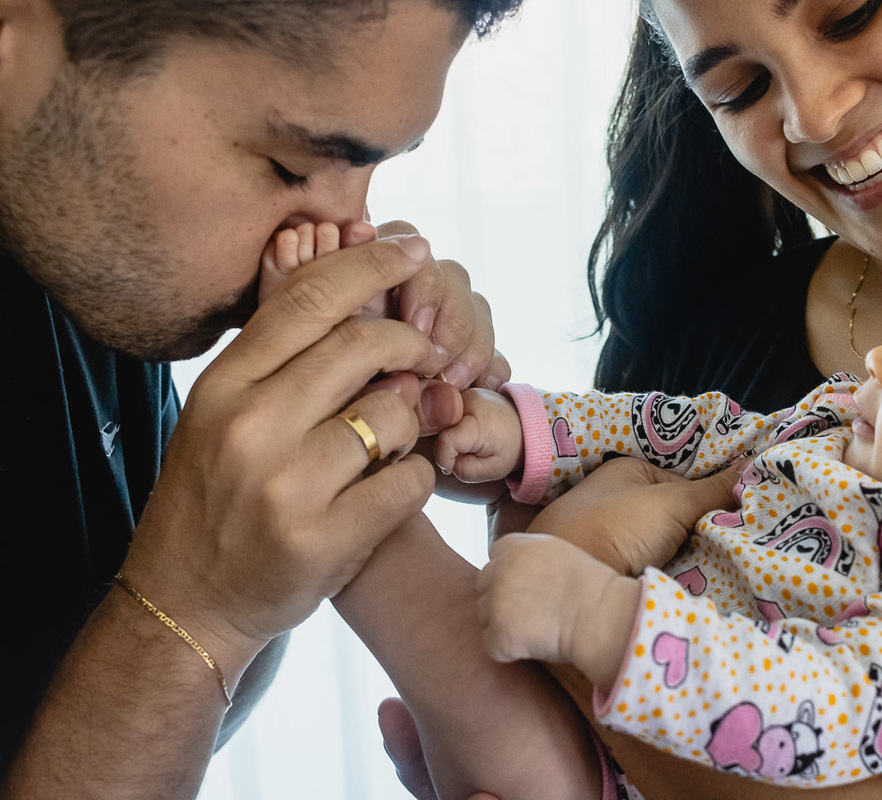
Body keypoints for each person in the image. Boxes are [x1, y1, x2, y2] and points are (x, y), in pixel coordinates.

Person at [381, 1, 882, 798]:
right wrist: (511, 427)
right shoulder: (734, 338)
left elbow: (828, 705)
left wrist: (594, 602)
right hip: (570, 709)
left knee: (397, 576)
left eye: (849, 15)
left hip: (618, 690)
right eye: (740, 88)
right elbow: (685, 433)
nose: (813, 116)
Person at [0, 1, 529, 797]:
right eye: (289, 168)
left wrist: (298, 488)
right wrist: (188, 611)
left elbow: (119, 717)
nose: (349, 228)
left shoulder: (82, 253)